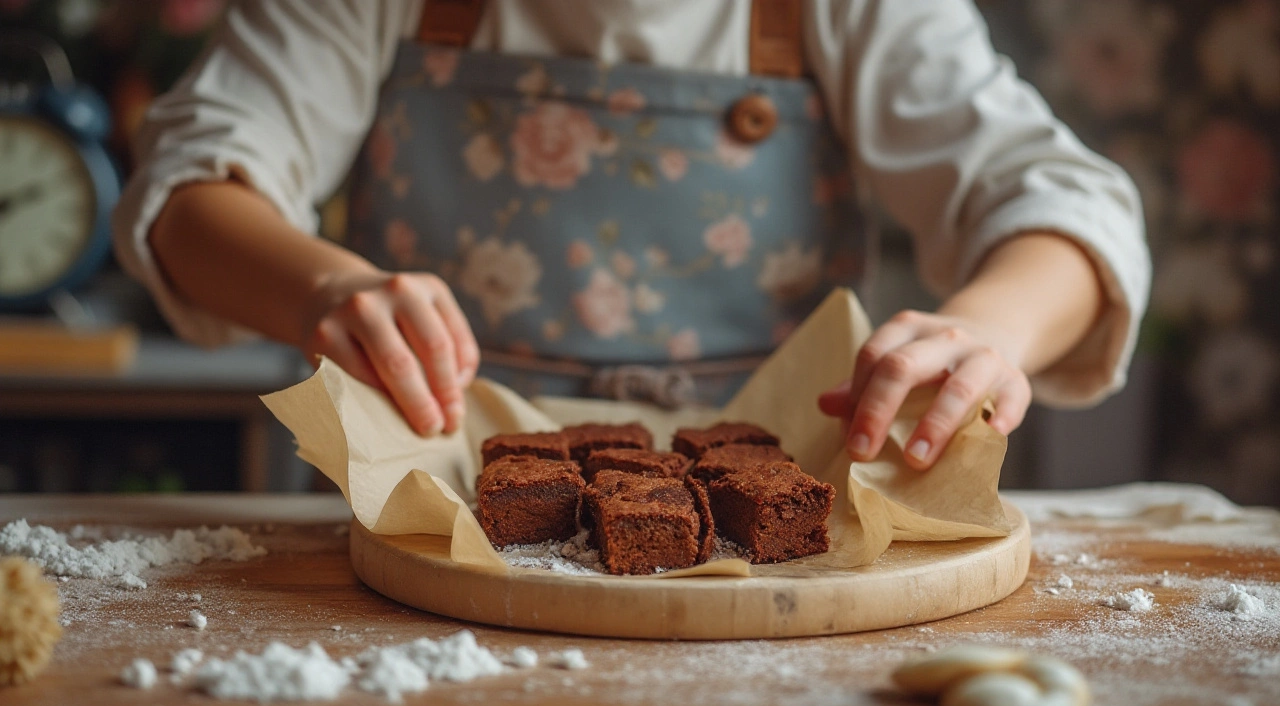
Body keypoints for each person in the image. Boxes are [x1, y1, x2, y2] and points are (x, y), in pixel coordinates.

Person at [112, 0, 1150, 471]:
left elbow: (1057, 199)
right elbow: (192, 188)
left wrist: (988, 328)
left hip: (780, 544)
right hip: (432, 504)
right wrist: (321, 291)